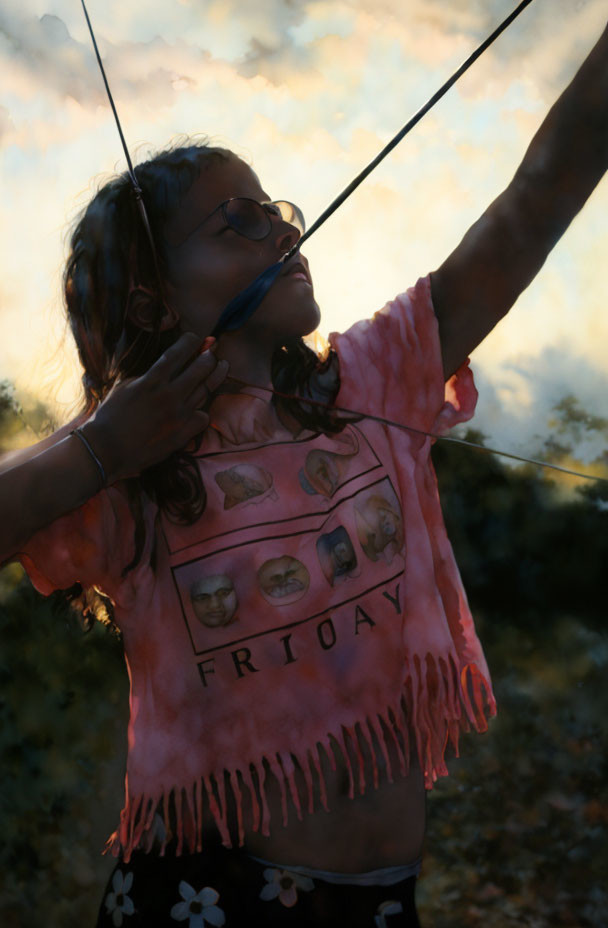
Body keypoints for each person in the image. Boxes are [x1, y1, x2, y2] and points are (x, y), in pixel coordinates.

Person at [1, 19, 607, 928]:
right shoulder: (129, 460)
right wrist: (104, 449)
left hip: (380, 900)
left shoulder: (369, 381)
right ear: (151, 300)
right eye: (232, 223)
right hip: (202, 898)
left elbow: (539, 192)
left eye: (272, 206)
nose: (281, 226)